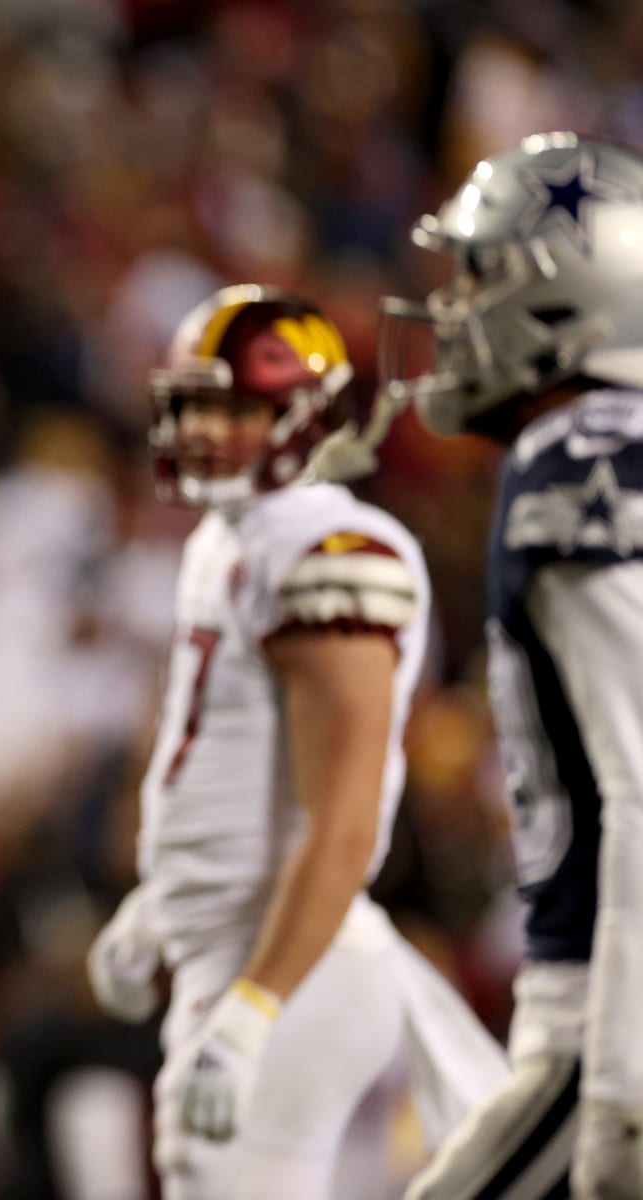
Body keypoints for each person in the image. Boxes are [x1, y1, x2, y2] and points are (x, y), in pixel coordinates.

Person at [88, 287, 505, 1199]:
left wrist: (255, 1007)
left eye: (237, 406)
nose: (203, 428)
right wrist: (160, 906)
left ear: (307, 416)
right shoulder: (226, 538)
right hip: (237, 948)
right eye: (195, 402)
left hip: (292, 966)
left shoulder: (332, 549)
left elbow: (348, 818)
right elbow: (230, 768)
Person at [383, 132, 643, 1200]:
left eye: (479, 276)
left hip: (605, 1011)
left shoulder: (581, 457)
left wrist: (624, 1077)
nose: (452, 311)